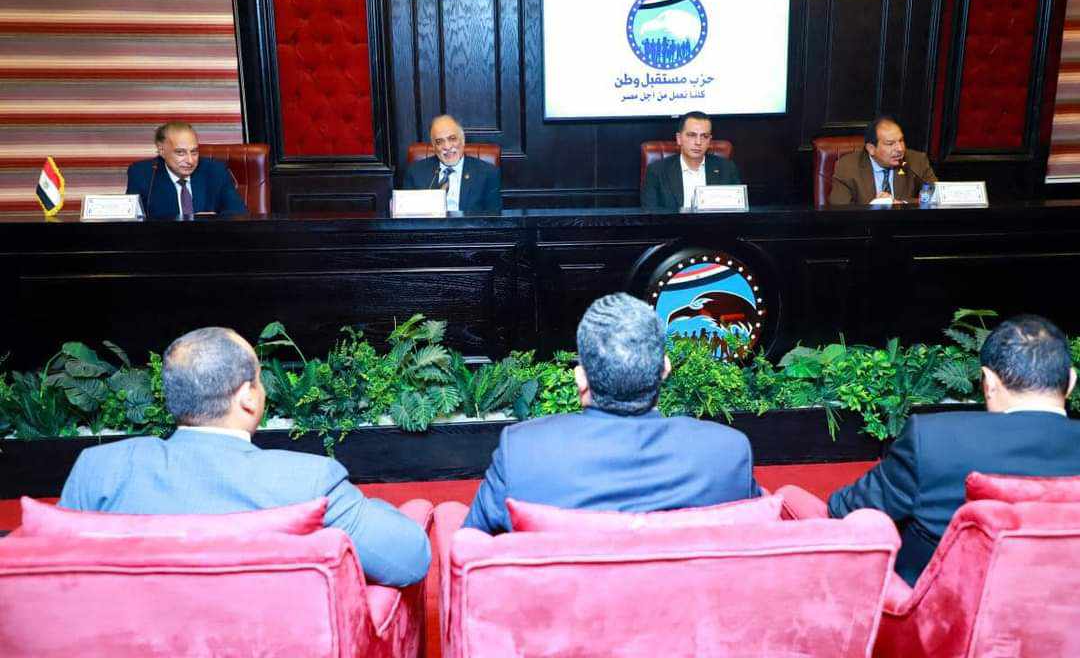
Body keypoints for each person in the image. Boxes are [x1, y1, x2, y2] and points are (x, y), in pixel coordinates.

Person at [59, 327, 431, 588]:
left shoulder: (98, 470)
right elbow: (409, 559)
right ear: (248, 397)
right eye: (259, 379)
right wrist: (377, 507)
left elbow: (56, 576)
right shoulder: (309, 482)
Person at [463, 292, 761, 534]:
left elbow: (472, 549)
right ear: (665, 370)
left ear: (581, 379)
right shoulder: (728, 452)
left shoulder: (523, 452)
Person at [828, 314, 1080, 585]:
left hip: (941, 607)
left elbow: (848, 510)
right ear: (1071, 381)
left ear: (988, 382)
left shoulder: (932, 439)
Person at [126, 121, 248, 219]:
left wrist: (213, 220)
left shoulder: (216, 171)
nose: (190, 160)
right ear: (162, 150)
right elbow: (130, 220)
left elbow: (239, 213)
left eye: (194, 152)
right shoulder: (142, 174)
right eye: (180, 152)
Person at [641, 111, 741, 210]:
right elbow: (650, 214)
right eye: (692, 135)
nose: (698, 142)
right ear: (679, 138)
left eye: (704, 136)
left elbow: (738, 211)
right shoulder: (657, 171)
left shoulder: (727, 169)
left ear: (709, 140)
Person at [828, 115, 938, 205]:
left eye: (901, 141)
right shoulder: (847, 167)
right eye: (890, 144)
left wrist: (901, 204)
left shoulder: (917, 161)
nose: (900, 149)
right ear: (871, 149)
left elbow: (938, 197)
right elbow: (840, 209)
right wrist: (873, 207)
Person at [401, 114, 502, 212]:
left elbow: (493, 218)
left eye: (452, 139)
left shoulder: (488, 174)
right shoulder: (415, 173)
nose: (447, 147)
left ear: (462, 140)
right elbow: (407, 216)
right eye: (439, 141)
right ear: (434, 146)